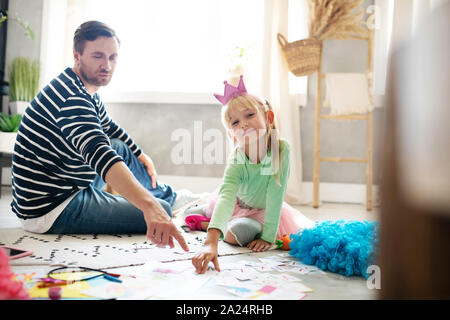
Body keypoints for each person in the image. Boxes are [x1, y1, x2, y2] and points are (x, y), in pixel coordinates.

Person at [10, 21, 188, 251]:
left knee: (120, 147)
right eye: (97, 56)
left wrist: (140, 154)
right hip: (50, 207)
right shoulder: (72, 99)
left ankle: (173, 197)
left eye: (113, 57)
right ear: (77, 55)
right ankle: (165, 202)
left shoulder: (82, 88)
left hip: (67, 181)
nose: (107, 65)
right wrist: (149, 206)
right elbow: (100, 154)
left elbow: (109, 128)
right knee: (160, 209)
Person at [190, 75, 313, 274]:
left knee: (235, 234)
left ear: (269, 118)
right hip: (239, 205)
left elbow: (275, 194)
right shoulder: (237, 159)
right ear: (232, 135)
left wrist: (268, 237)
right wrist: (211, 243)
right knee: (224, 222)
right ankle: (206, 218)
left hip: (264, 212)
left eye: (249, 115)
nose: (244, 124)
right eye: (235, 123)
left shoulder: (279, 149)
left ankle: (206, 222)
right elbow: (227, 196)